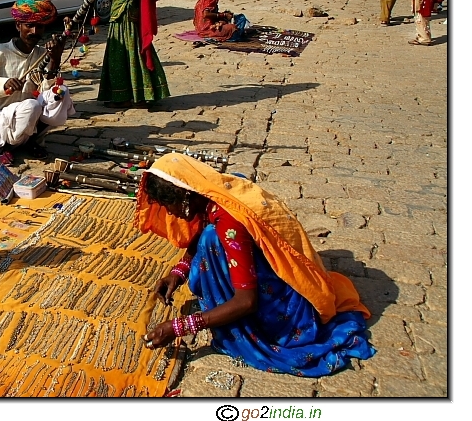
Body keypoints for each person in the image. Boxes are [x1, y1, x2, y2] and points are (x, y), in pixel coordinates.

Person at [137, 153, 376, 376]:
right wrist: (177, 274)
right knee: (209, 239)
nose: (170, 213)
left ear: (185, 196)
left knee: (212, 239)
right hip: (267, 273)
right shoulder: (219, 192)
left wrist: (180, 326)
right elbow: (198, 236)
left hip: (281, 312)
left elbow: (247, 302)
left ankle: (248, 328)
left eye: (169, 205)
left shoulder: (228, 225)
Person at [0, 0, 71, 162]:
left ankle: (30, 140)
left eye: (40, 27)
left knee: (61, 93)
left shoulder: (43, 54)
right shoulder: (0, 52)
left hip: (31, 118)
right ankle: (5, 148)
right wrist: (3, 83)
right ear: (18, 25)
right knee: (31, 105)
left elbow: (48, 94)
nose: (34, 32)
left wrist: (55, 60)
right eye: (29, 26)